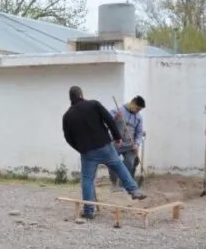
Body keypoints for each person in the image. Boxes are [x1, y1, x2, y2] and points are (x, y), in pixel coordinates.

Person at [62, 86, 147, 220]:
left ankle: (89, 211)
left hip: (87, 152)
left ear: (70, 98)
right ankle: (134, 190)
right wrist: (117, 137)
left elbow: (68, 138)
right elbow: (108, 119)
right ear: (81, 94)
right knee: (119, 166)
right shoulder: (94, 104)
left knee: (87, 180)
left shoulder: (67, 116)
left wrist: (80, 148)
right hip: (105, 146)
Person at [107, 96, 146, 192]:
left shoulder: (138, 118)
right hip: (116, 143)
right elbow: (107, 120)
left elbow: (139, 133)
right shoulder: (118, 110)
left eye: (139, 110)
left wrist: (136, 144)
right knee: (111, 162)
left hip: (130, 145)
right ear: (132, 103)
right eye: (137, 108)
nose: (137, 111)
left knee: (130, 162)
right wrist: (115, 117)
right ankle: (114, 183)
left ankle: (123, 184)